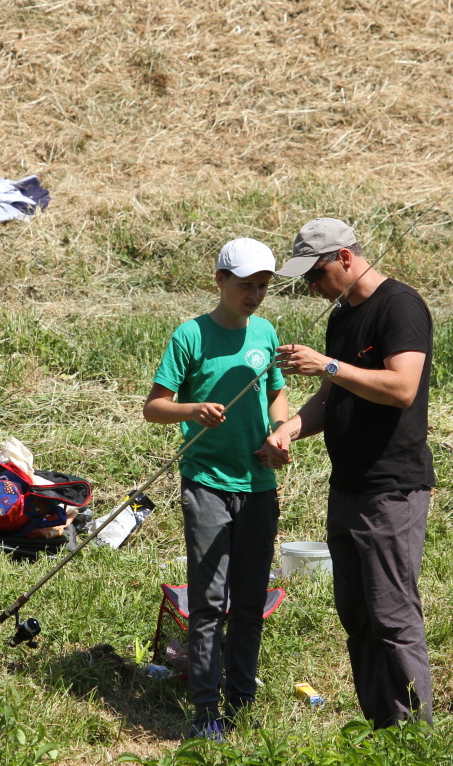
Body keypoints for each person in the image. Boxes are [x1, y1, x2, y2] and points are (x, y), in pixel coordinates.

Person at [256, 218, 436, 729]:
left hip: (391, 489)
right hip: (348, 487)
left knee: (392, 615)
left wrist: (328, 365)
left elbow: (402, 387)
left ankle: (415, 735)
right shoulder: (341, 317)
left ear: (345, 258)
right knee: (357, 614)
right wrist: (289, 429)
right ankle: (382, 728)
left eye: (315, 275)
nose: (312, 288)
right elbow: (330, 398)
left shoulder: (400, 306)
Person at [143, 237, 288, 740]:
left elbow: (277, 393)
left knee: (249, 602)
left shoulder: (265, 332)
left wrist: (279, 433)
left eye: (263, 286)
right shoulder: (191, 335)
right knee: (208, 602)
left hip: (258, 484)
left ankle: (241, 703)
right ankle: (206, 710)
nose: (255, 295)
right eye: (246, 285)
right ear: (220, 280)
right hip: (206, 483)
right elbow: (154, 406)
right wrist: (193, 410)